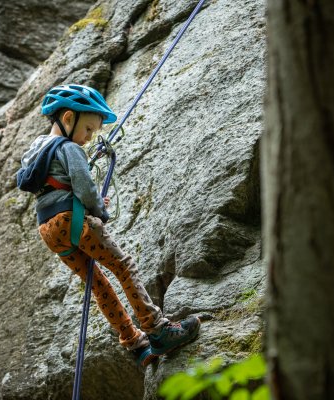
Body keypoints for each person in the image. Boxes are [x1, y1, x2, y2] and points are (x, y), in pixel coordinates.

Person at [22, 84, 200, 367]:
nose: (90, 138)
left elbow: (55, 186)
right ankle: (158, 329)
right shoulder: (70, 148)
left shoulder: (35, 148)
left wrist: (84, 200)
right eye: (89, 129)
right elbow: (84, 186)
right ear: (68, 118)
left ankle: (136, 344)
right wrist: (99, 209)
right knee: (123, 266)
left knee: (97, 283)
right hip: (73, 222)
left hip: (49, 231)